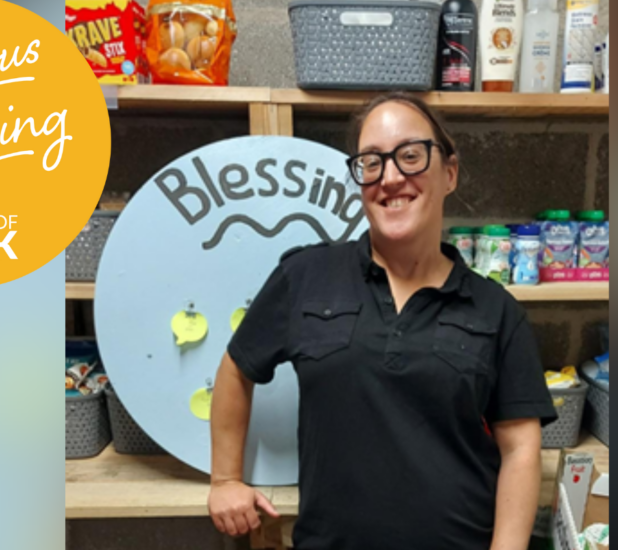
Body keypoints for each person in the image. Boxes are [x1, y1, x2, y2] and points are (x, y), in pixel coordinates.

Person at [207, 92, 557, 550]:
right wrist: (225, 479)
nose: (390, 178)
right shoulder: (305, 276)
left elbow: (521, 450)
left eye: (410, 156)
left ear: (449, 172)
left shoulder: (497, 310)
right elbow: (237, 367)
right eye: (371, 163)